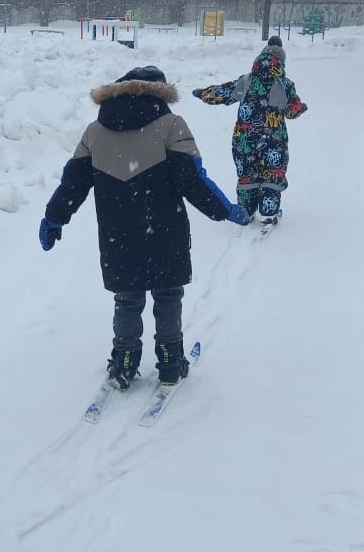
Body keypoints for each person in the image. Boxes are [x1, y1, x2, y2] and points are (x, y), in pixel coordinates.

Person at [38, 65, 249, 389]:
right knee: (167, 295)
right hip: (164, 230)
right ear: (160, 93)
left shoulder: (95, 131)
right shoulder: (171, 126)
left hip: (117, 233)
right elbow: (193, 181)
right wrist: (226, 211)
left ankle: (123, 362)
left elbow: (73, 183)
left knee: (127, 298)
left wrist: (54, 217)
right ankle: (169, 362)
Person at [192, 34, 308, 224]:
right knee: (272, 174)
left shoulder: (246, 80)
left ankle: (246, 209)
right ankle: (269, 213)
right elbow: (292, 111)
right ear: (281, 62)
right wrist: (300, 108)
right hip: (274, 141)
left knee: (247, 174)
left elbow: (224, 93)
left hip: (245, 139)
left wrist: (204, 93)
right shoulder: (286, 85)